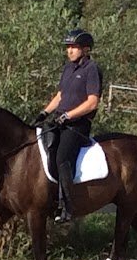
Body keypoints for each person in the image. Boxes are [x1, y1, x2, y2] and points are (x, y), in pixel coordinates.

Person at [34, 29, 103, 223]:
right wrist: (44, 113)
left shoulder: (91, 69)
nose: (70, 51)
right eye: (68, 48)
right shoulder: (68, 69)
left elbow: (92, 102)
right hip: (60, 120)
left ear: (86, 49)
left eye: (74, 47)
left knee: (62, 156)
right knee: (44, 150)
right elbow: (60, 96)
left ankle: (68, 207)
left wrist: (68, 115)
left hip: (78, 126)